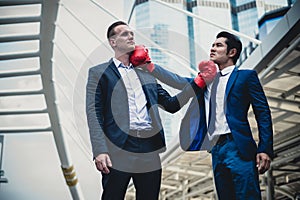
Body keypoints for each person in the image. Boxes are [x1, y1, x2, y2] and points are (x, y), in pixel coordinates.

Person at [85, 21, 216, 200]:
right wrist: (100, 150)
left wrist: (198, 83)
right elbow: (94, 113)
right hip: (118, 147)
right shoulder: (98, 72)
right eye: (124, 34)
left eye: (132, 33)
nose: (131, 36)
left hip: (149, 147)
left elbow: (172, 104)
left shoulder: (147, 74)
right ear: (112, 42)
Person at [140, 31, 274, 199]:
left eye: (219, 45)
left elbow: (263, 113)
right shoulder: (206, 81)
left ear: (232, 52)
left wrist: (265, 148)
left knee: (248, 196)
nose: (212, 48)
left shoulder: (246, 76)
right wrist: (149, 66)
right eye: (212, 44)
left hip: (238, 146)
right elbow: (176, 80)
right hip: (216, 149)